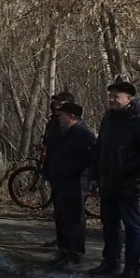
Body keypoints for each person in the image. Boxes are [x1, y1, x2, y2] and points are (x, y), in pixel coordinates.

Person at [89, 80, 140, 278]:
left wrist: (128, 168)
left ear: (129, 99)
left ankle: (131, 268)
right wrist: (95, 175)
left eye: (115, 96)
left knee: (132, 226)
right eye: (110, 96)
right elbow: (99, 147)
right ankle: (110, 261)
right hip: (107, 181)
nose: (111, 100)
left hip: (128, 183)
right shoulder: (108, 119)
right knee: (109, 224)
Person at [45, 103, 96, 268]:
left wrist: (69, 171)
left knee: (73, 220)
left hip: (75, 182)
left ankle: (75, 254)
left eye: (62, 115)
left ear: (71, 117)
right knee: (61, 218)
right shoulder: (62, 133)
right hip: (60, 182)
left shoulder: (83, 134)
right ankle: (64, 250)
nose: (59, 118)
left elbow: (88, 158)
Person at [40, 92, 77, 248]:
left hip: (66, 171)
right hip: (53, 167)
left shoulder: (72, 124)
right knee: (58, 210)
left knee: (69, 213)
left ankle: (70, 245)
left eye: (60, 102)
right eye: (55, 101)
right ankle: (61, 240)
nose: (56, 104)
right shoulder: (54, 120)